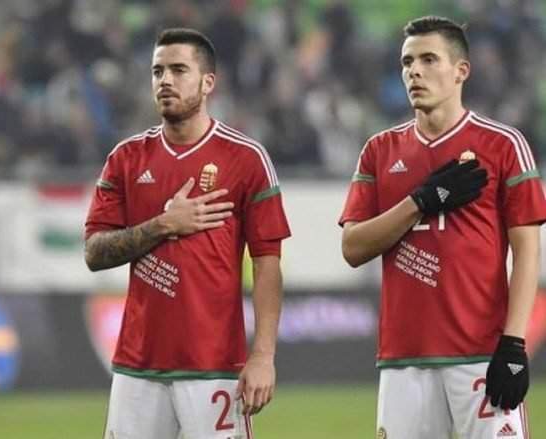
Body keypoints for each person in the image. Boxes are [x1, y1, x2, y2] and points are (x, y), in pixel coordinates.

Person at [340, 16, 546, 438]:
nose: (414, 71)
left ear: (460, 71)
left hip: (481, 352)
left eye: (429, 59)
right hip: (404, 359)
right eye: (407, 62)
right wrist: (420, 201)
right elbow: (353, 247)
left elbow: (527, 252)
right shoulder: (379, 150)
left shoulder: (503, 144)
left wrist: (514, 344)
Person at [84, 28, 290, 439]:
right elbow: (94, 252)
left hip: (214, 366)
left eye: (179, 70)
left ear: (208, 82)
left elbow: (267, 263)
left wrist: (263, 356)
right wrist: (164, 224)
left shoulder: (246, 158)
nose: (165, 80)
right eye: (157, 71)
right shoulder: (126, 158)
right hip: (137, 368)